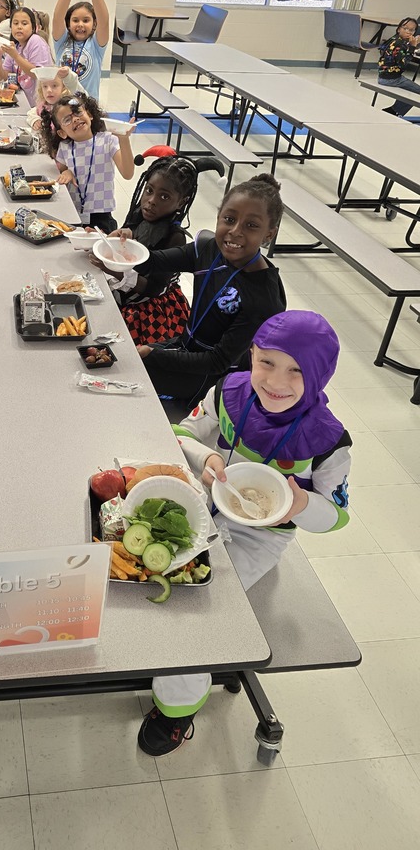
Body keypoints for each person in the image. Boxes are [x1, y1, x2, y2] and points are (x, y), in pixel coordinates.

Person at [138, 310, 352, 755]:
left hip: (263, 534)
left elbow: (337, 516)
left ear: (320, 377)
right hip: (205, 496)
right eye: (267, 362)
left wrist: (302, 505)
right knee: (141, 567)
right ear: (251, 356)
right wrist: (205, 459)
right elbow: (181, 433)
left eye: (297, 371)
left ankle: (177, 709)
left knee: (204, 610)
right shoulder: (230, 391)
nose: (276, 381)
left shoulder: (329, 440)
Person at [136, 174, 287, 405]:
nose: (235, 231)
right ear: (218, 218)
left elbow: (217, 362)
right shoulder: (208, 248)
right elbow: (151, 261)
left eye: (251, 225)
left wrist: (155, 355)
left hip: (212, 378)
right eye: (229, 219)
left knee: (126, 373)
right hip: (184, 347)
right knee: (116, 356)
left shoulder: (263, 299)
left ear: (268, 234)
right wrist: (120, 243)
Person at [91, 147, 218, 345]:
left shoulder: (175, 238)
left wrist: (114, 271)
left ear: (181, 202)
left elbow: (153, 288)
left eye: (164, 197)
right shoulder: (139, 215)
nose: (151, 201)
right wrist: (105, 239)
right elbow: (126, 247)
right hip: (125, 295)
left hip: (149, 310)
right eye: (149, 191)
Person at [40, 91, 134, 231]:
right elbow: (62, 169)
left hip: (101, 215)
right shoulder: (65, 148)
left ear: (89, 114)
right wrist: (67, 171)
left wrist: (124, 140)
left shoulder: (108, 140)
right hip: (72, 212)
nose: (75, 119)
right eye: (67, 120)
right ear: (62, 133)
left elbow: (127, 173)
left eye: (77, 112)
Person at [52, 0, 110, 102]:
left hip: (88, 105)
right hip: (62, 103)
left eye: (86, 20)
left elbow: (105, 20)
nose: (80, 24)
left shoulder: (96, 45)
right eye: (75, 20)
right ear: (68, 23)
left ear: (94, 23)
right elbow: (57, 15)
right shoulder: (62, 41)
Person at [0, 6, 53, 107]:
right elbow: (2, 78)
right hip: (25, 104)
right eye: (15, 23)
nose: (19, 27)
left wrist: (16, 56)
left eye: (24, 23)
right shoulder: (16, 46)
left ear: (33, 27)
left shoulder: (36, 41)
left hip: (42, 106)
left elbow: (37, 74)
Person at [377, 16, 420, 117]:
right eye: (405, 29)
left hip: (383, 75)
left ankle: (395, 109)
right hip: (392, 78)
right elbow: (403, 64)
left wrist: (410, 45)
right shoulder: (400, 44)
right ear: (399, 28)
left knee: (410, 87)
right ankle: (395, 111)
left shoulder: (393, 39)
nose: (408, 32)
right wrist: (412, 47)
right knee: (417, 91)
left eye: (412, 30)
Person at [24, 65, 80, 134]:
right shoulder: (44, 105)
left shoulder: (68, 106)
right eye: (45, 86)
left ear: (63, 88)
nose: (49, 90)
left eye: (54, 86)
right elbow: (31, 113)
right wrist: (34, 120)